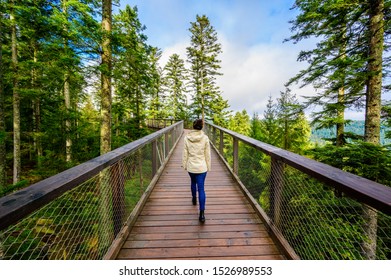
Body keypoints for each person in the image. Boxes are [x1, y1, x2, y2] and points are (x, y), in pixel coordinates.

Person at [182, 119, 211, 223]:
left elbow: (185, 153)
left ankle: (194, 198)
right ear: (201, 127)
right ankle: (202, 214)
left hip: (191, 166)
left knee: (193, 182)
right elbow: (207, 154)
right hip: (202, 167)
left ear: (193, 127)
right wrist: (209, 166)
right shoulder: (205, 138)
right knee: (201, 189)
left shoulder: (187, 138)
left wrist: (184, 165)